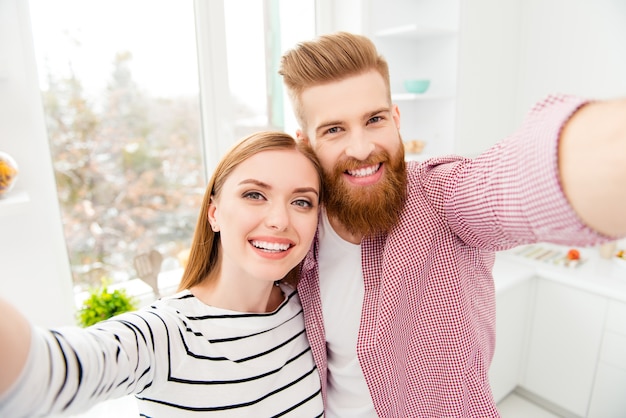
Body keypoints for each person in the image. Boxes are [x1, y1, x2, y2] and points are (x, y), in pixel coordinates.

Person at [278, 31, 626, 416]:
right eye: (334, 129)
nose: (360, 148)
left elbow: (517, 178)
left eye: (374, 119)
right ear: (306, 143)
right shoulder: (298, 234)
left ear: (395, 119)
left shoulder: (442, 196)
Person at [0, 131, 325, 417]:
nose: (279, 220)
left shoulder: (308, 308)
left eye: (301, 201)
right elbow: (46, 371)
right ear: (214, 214)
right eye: (254, 195)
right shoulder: (166, 335)